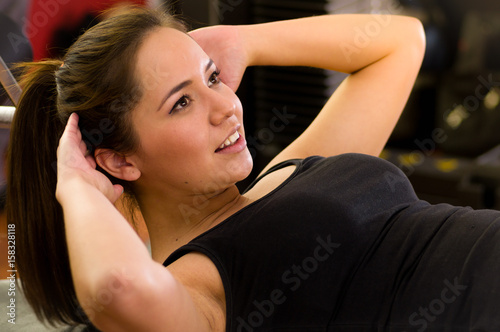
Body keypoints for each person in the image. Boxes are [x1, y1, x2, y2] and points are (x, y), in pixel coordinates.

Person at [7, 6, 500, 332]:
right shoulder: (199, 285)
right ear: (120, 160)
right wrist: (75, 187)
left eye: (214, 78)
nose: (226, 107)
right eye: (181, 103)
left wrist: (243, 42)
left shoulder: (285, 175)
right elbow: (118, 291)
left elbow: (398, 44)